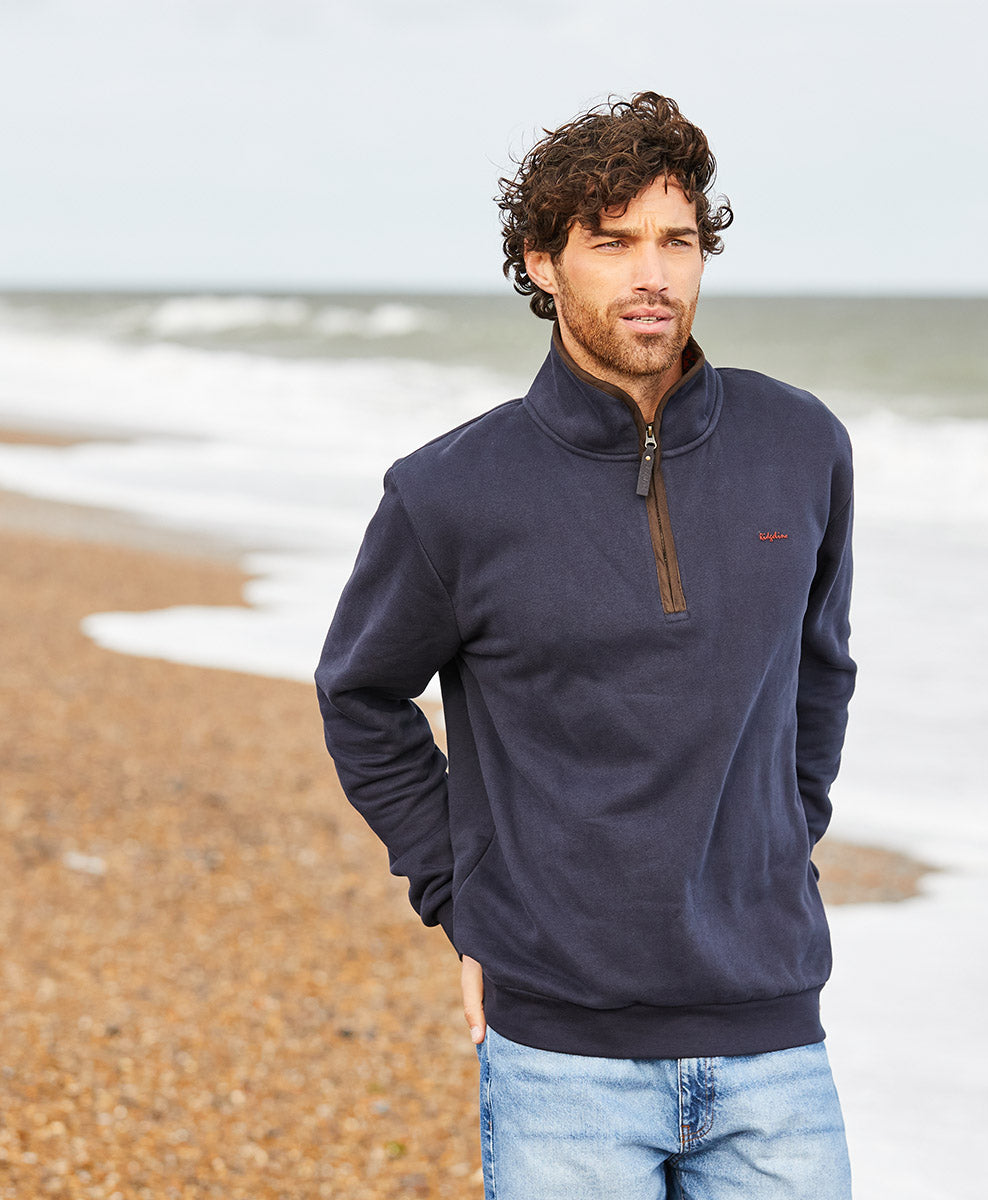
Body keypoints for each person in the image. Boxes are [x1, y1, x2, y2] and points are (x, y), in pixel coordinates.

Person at [316, 91, 856, 1199]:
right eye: (612, 243)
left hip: (774, 1042)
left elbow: (820, 671)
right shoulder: (450, 493)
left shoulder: (802, 445)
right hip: (562, 1056)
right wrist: (460, 893)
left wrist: (780, 851)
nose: (652, 273)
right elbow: (360, 694)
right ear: (543, 263)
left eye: (677, 240)